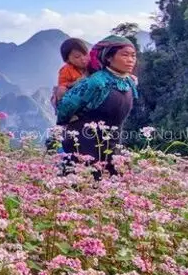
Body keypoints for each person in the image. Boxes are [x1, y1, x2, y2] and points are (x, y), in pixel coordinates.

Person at [56, 35, 138, 179]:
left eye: (133, 56)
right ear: (108, 58)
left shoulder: (129, 82)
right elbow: (64, 107)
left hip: (112, 144)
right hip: (83, 145)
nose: (130, 59)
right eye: (124, 55)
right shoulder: (96, 82)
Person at [51, 38, 90, 108]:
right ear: (68, 60)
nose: (83, 59)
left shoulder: (92, 64)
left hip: (89, 94)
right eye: (77, 57)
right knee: (61, 91)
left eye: (85, 54)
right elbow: (62, 86)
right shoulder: (66, 71)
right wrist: (75, 83)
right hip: (74, 95)